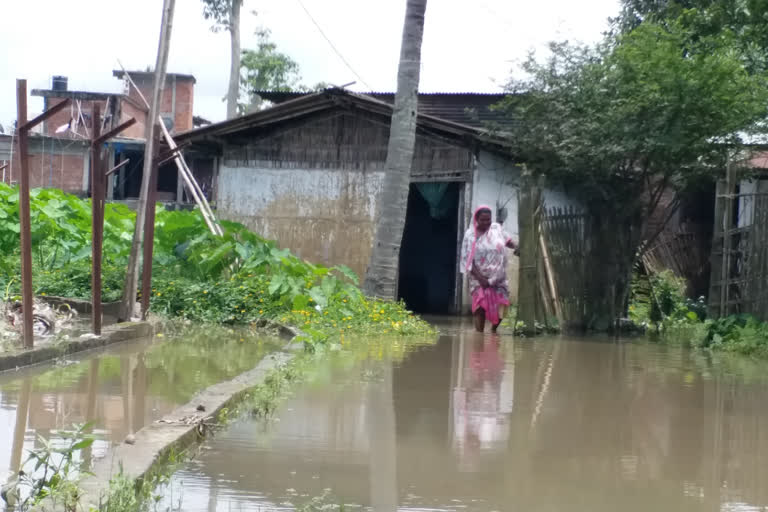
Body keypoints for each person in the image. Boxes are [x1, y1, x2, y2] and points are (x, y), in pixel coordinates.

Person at [460, 206, 519, 333]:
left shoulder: (496, 228)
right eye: (483, 220)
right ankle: (479, 334)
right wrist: (481, 279)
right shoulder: (470, 235)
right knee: (480, 306)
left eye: (488, 219)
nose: (486, 222)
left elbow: (507, 240)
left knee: (502, 304)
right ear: (476, 219)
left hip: (498, 275)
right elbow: (467, 259)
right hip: (478, 276)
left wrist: (515, 247)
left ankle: (493, 330)